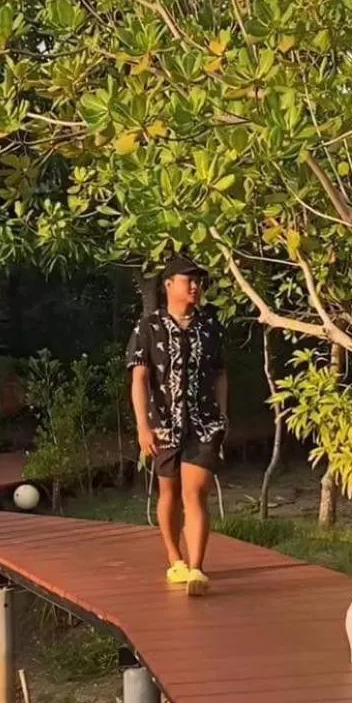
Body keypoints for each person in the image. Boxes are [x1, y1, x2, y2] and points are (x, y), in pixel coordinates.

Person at [126, 254, 228, 596]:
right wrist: (143, 427)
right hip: (164, 424)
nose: (196, 287)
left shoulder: (210, 326)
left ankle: (198, 568)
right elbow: (139, 378)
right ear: (170, 284)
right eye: (189, 280)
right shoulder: (148, 327)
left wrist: (223, 415)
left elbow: (220, 373)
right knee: (169, 491)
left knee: (195, 491)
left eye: (199, 281)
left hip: (204, 423)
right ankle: (175, 560)